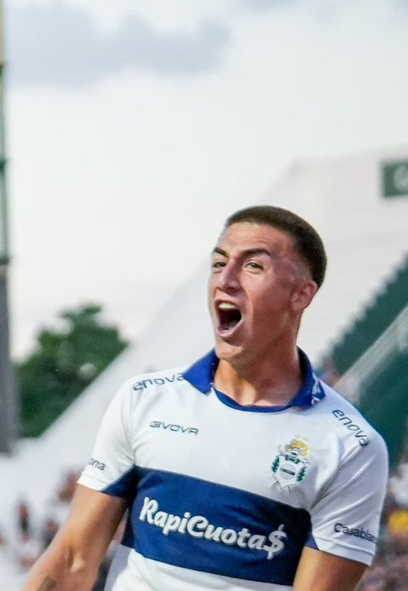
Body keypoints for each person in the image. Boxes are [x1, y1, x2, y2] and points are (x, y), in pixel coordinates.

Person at [23, 206, 389, 591]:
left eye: (253, 267)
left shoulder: (351, 447)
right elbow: (70, 560)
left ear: (301, 294)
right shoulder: (144, 400)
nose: (225, 280)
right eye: (218, 263)